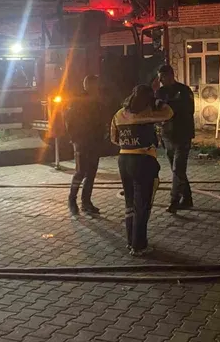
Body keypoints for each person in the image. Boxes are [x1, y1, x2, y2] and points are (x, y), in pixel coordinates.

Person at [110, 84, 173, 256]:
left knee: (130, 203)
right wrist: (159, 102)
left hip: (124, 160)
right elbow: (169, 113)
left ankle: (130, 241)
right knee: (142, 205)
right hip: (143, 161)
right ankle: (139, 246)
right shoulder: (148, 114)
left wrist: (128, 142)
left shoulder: (119, 114)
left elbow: (114, 138)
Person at [64, 75, 109, 216]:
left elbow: (102, 119)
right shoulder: (77, 101)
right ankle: (72, 200)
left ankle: (86, 202)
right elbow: (69, 120)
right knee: (80, 172)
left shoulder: (98, 101)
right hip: (82, 141)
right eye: (93, 85)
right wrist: (75, 138)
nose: (95, 87)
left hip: (94, 141)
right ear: (86, 85)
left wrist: (103, 134)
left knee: (91, 173)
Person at [155, 64, 195, 214]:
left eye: (162, 78)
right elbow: (156, 110)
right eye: (159, 78)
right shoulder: (160, 92)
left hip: (182, 135)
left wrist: (168, 106)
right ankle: (187, 198)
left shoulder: (184, 91)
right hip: (167, 136)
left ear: (170, 75)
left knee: (178, 169)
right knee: (177, 169)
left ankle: (174, 201)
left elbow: (188, 110)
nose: (160, 81)